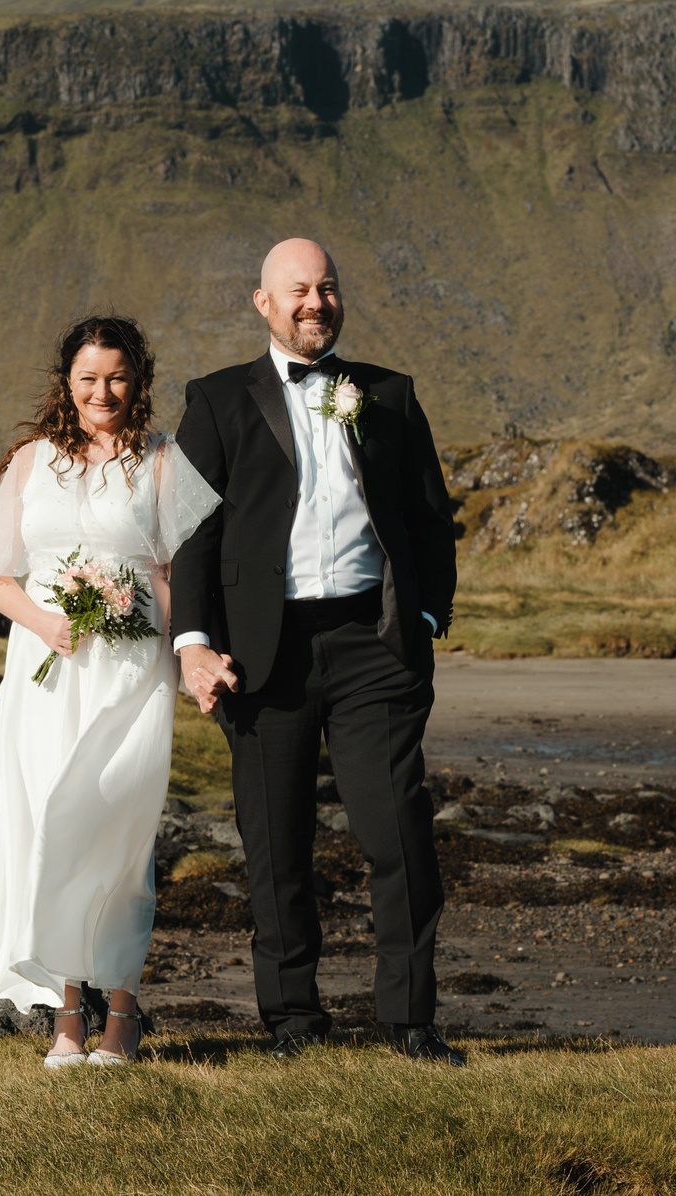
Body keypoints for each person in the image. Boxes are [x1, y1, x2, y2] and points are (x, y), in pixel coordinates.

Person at [0, 315, 220, 1068]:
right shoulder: (31, 461)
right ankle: (68, 1019)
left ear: (137, 381)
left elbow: (175, 576)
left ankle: (123, 1019)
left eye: (116, 378)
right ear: (64, 384)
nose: (102, 392)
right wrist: (44, 619)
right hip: (45, 673)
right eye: (87, 379)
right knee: (51, 829)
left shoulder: (165, 460)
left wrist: (183, 661)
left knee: (118, 833)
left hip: (130, 673)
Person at [170, 238, 465, 1064]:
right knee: (276, 843)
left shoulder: (391, 395)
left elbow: (430, 515)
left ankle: (412, 1021)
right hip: (264, 655)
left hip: (374, 643)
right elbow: (191, 534)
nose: (315, 302)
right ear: (262, 302)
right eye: (297, 290)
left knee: (398, 829)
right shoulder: (218, 400)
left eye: (327, 288)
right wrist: (194, 644)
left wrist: (429, 617)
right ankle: (293, 1022)